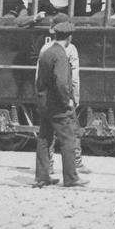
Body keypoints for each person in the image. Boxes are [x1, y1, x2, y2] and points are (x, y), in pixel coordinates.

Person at [34, 21, 89, 188]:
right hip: (58, 106)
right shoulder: (61, 55)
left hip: (44, 104)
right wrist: (67, 101)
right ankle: (71, 178)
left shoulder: (46, 52)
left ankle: (42, 177)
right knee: (68, 139)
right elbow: (61, 83)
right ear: (69, 37)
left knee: (44, 139)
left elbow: (39, 80)